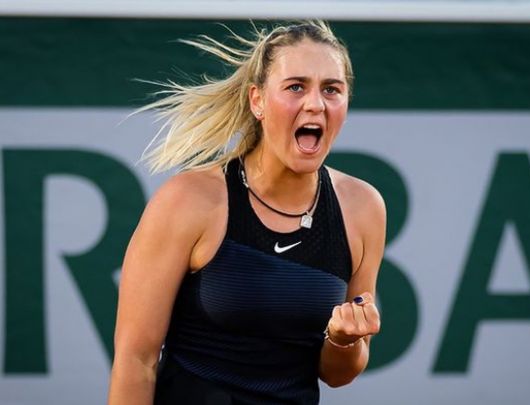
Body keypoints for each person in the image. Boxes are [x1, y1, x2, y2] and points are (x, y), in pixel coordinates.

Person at [108, 20, 386, 405]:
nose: (315, 104)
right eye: (296, 87)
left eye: (331, 89)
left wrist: (343, 339)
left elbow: (338, 375)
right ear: (257, 100)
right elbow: (135, 361)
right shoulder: (189, 199)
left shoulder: (363, 208)